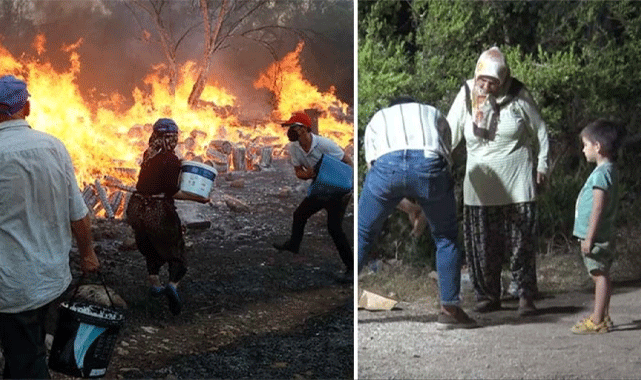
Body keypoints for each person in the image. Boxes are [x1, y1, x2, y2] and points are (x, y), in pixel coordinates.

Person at [0, 75, 100, 379]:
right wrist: (88, 254)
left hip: (11, 285)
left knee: (26, 362)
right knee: (29, 349)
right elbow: (78, 213)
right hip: (47, 278)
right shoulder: (55, 147)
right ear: (26, 108)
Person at [358, 96, 477, 330]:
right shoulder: (432, 112)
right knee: (445, 237)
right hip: (429, 163)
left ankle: (342, 298)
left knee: (363, 233)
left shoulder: (379, 118)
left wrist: (407, 206)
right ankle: (449, 309)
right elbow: (445, 156)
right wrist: (421, 206)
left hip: (386, 168)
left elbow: (376, 172)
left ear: (393, 106)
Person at [446, 47, 549, 316]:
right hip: (480, 183)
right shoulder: (467, 93)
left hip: (517, 180)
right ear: (477, 75)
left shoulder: (517, 95)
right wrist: (437, 161)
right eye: (484, 81)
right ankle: (488, 295)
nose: (487, 87)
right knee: (482, 244)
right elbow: (451, 132)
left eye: (494, 83)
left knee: (521, 242)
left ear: (503, 81)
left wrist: (542, 165)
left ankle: (525, 293)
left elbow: (540, 130)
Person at [125, 118, 209, 316]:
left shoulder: (149, 154)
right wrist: (199, 198)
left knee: (150, 244)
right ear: (172, 137)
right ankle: (172, 285)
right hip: (157, 210)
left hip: (137, 208)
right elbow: (172, 191)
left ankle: (154, 283)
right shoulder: (171, 160)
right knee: (176, 249)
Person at [272, 112, 353, 281]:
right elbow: (298, 172)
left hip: (338, 191)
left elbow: (347, 161)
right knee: (299, 215)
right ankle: (294, 245)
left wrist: (349, 185)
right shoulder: (294, 147)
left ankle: (351, 268)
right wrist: (307, 175)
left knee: (334, 228)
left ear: (303, 129)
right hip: (320, 188)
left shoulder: (325, 144)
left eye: (292, 127)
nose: (289, 131)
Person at [571, 119, 622, 334]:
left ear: (598, 146)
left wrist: (589, 237)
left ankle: (597, 319)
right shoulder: (610, 170)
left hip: (596, 235)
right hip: (603, 233)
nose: (583, 150)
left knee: (598, 275)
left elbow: (598, 207)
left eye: (586, 145)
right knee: (602, 273)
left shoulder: (601, 174)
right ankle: (604, 315)